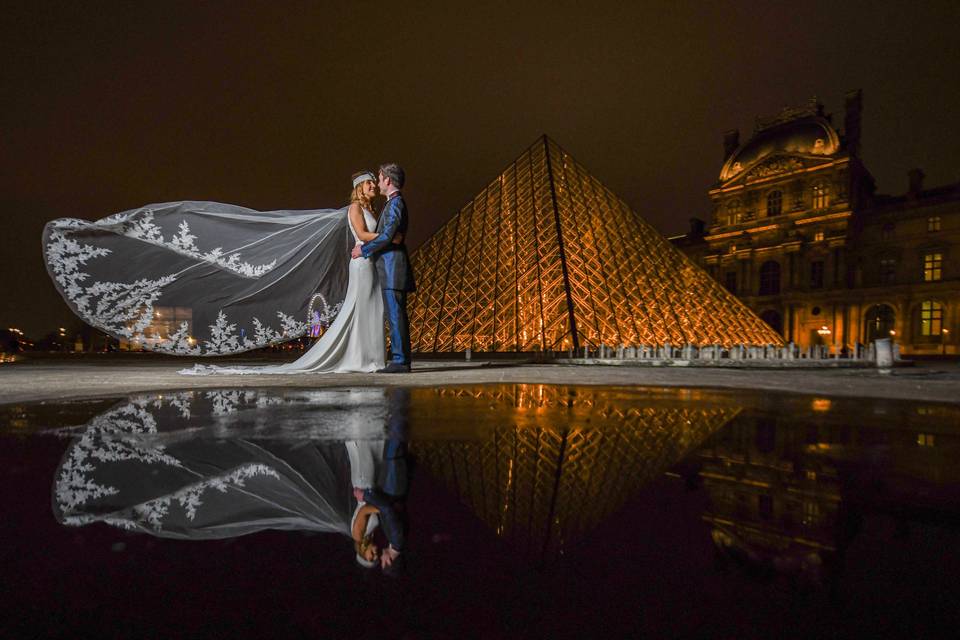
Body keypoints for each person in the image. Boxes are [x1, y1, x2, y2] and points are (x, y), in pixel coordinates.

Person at [41, 172, 398, 371]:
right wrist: (388, 236)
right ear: (358, 187)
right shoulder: (353, 208)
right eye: (369, 183)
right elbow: (363, 234)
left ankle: (367, 356)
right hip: (364, 261)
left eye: (373, 183)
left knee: (366, 310)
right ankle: (362, 358)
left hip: (366, 260)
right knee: (363, 309)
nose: (372, 187)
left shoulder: (364, 207)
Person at [352, 163, 416, 373]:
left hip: (392, 268)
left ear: (387, 180)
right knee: (394, 314)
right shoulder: (392, 203)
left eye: (379, 179)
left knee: (395, 315)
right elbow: (389, 236)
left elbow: (388, 236)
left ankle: (400, 360)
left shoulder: (395, 203)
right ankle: (399, 359)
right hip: (389, 267)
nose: (378, 183)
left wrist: (364, 250)